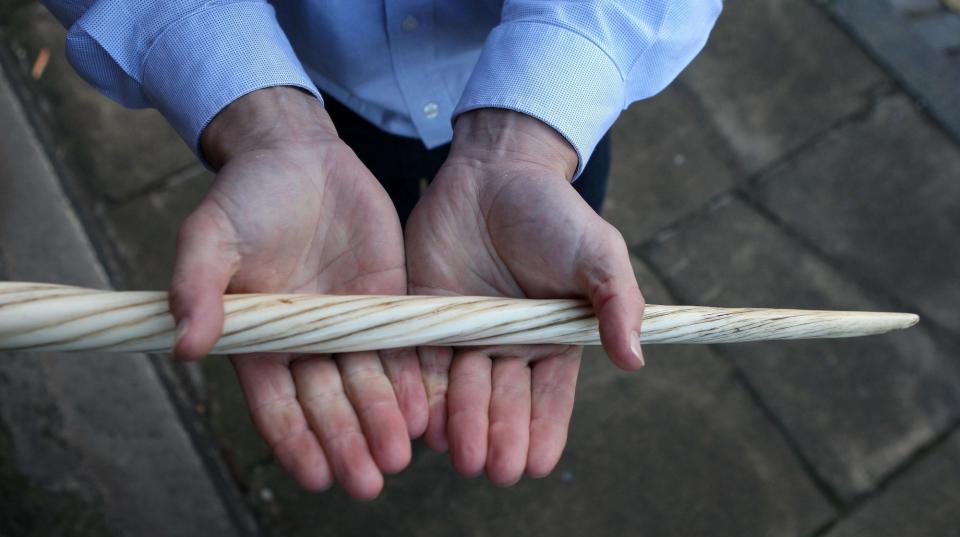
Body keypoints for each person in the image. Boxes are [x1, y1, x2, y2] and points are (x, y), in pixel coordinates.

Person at [43, 1, 721, 499]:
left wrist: (526, 144)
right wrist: (264, 124)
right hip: (304, 84)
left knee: (532, 258)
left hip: (541, 98)